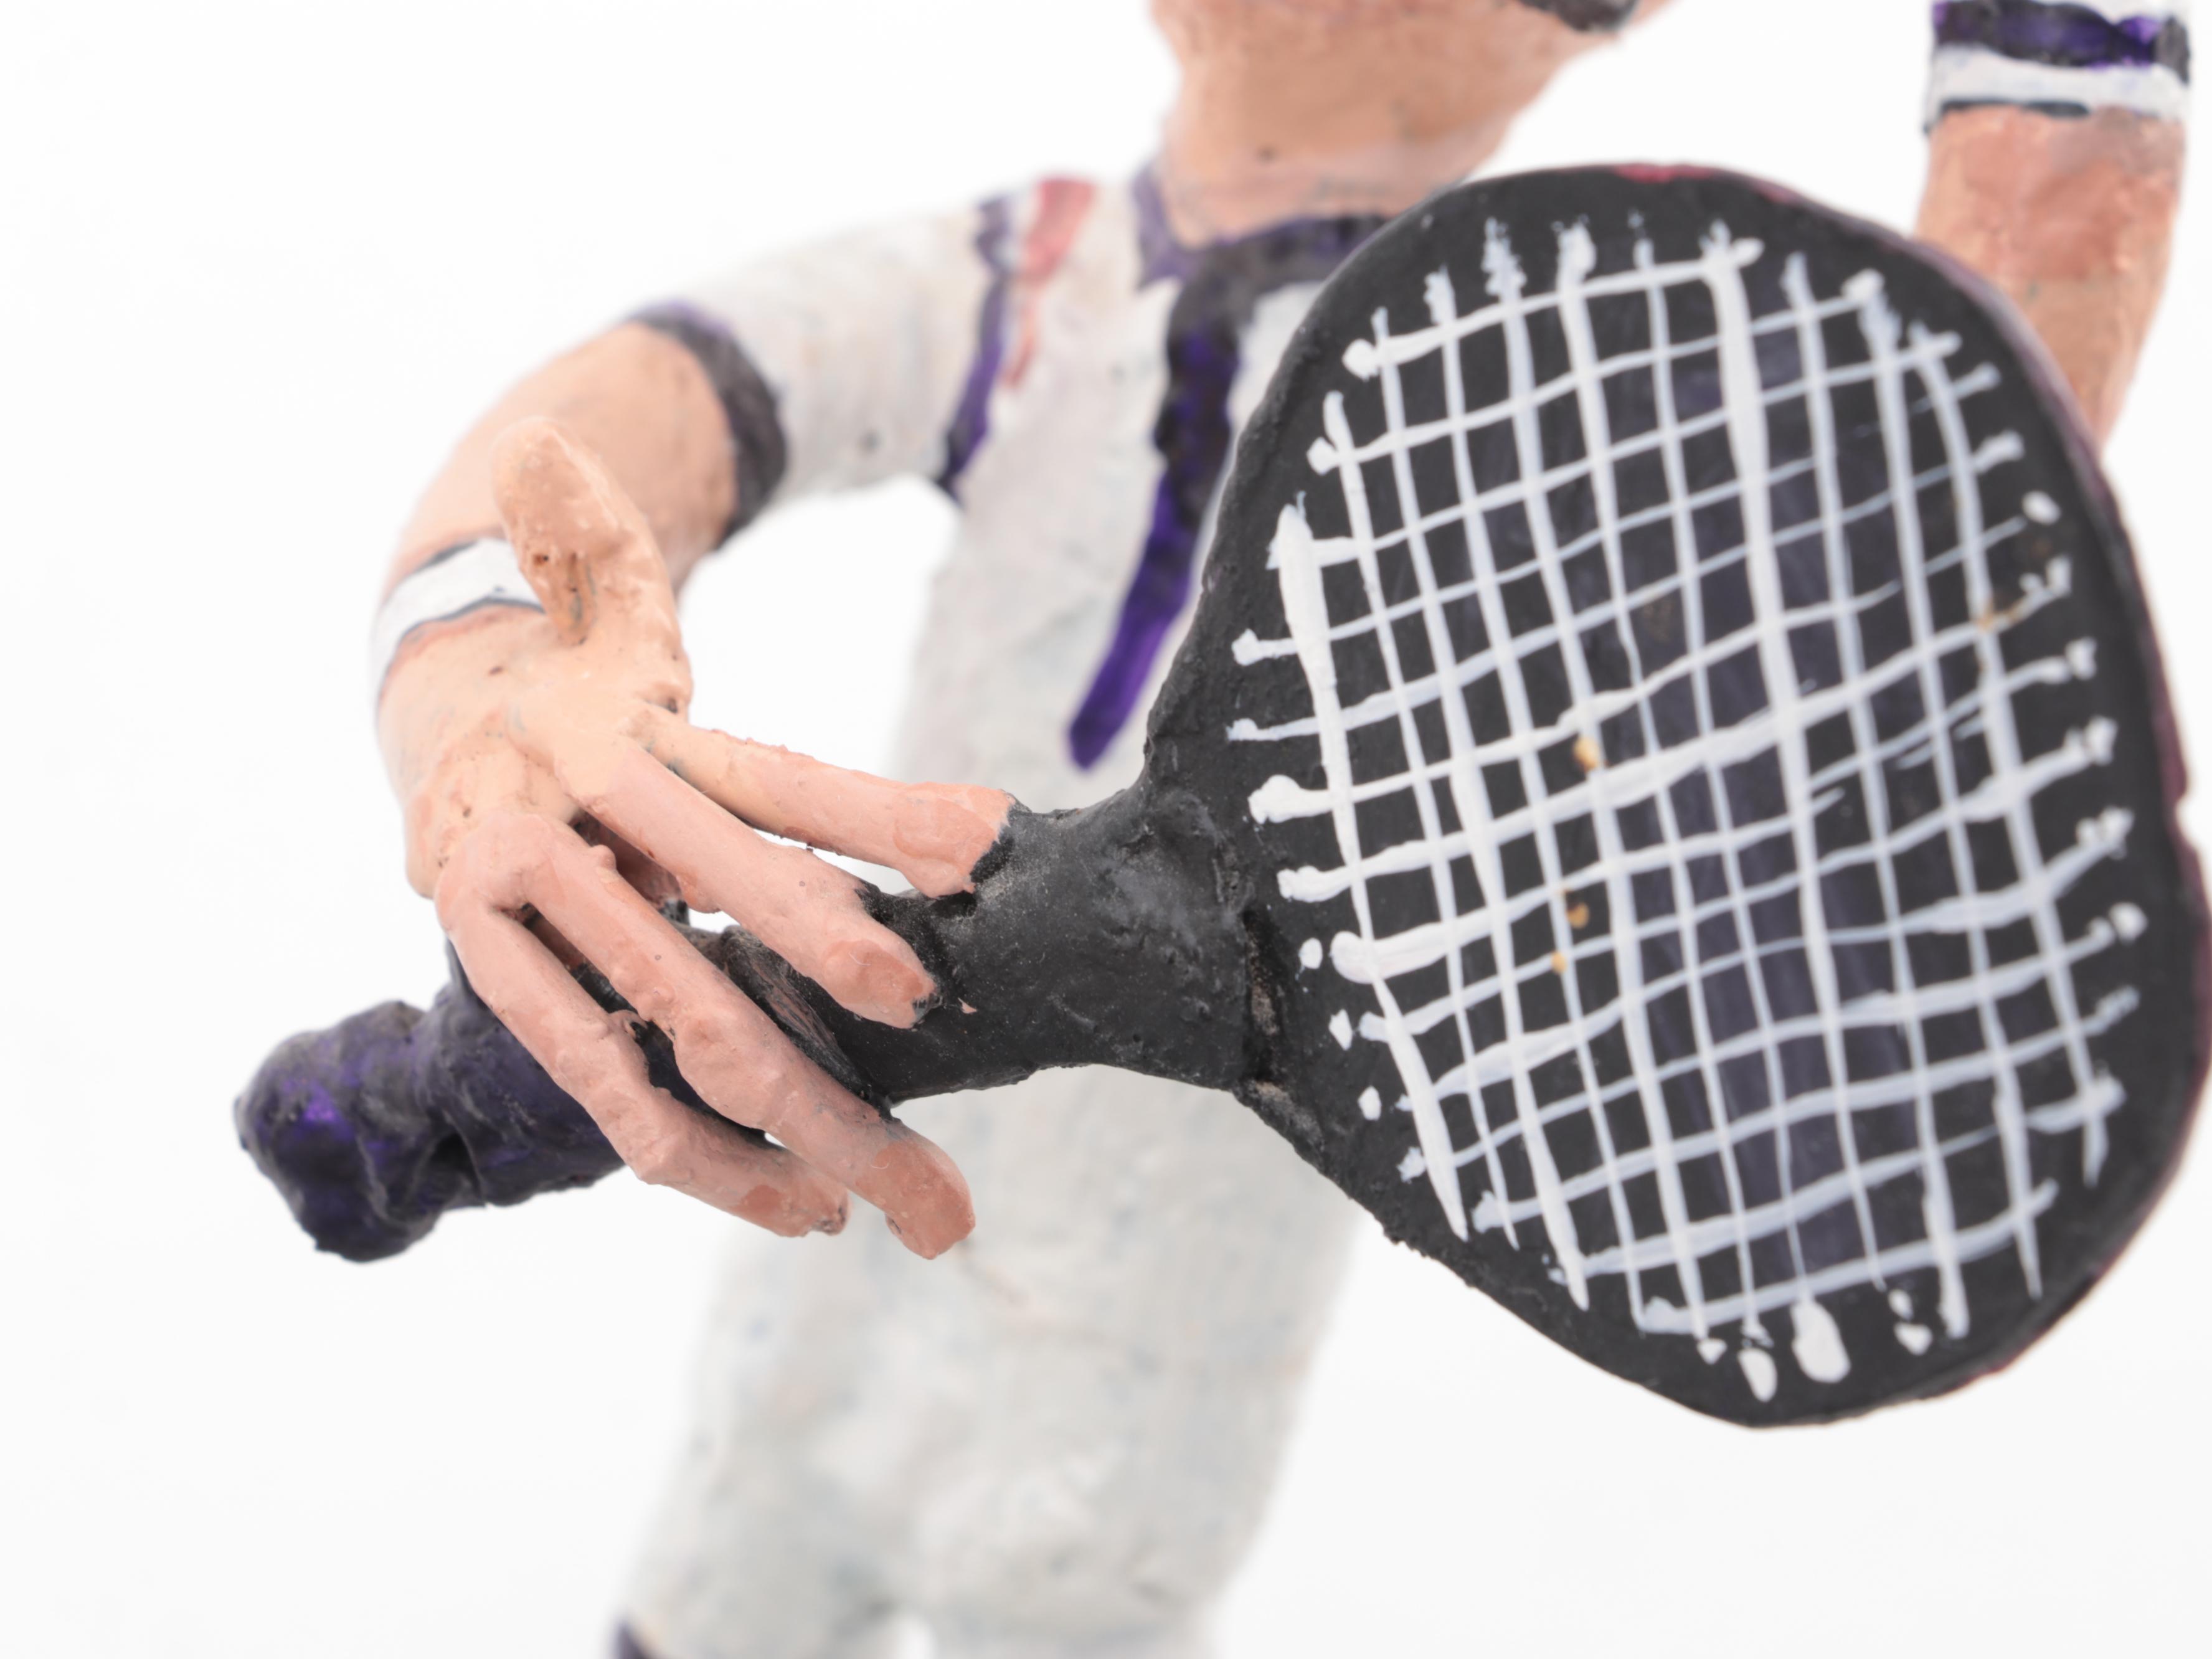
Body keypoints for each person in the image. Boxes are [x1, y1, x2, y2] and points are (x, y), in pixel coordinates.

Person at [361, 3, 2190, 1655]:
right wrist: (479, 666)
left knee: (1063, 1573)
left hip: (1175, 1300)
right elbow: (627, 421)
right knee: (748, 1527)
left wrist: (2069, 69)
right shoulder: (1027, 286)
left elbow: (1951, 477)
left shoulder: (1571, 417)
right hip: (824, 1245)